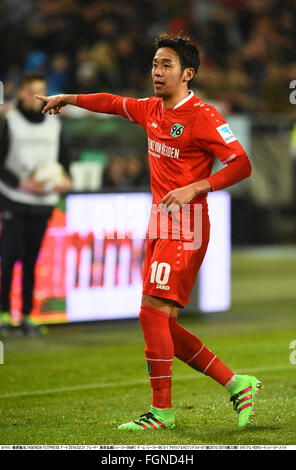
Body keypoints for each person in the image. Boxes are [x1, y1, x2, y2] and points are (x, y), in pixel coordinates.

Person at [36, 33, 262, 429]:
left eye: (167, 65)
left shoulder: (203, 116)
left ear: (187, 73)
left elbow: (241, 164)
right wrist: (68, 98)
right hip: (160, 223)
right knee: (164, 323)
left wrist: (197, 186)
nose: (157, 72)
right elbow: (110, 102)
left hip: (187, 224)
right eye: (155, 64)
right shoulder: (151, 110)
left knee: (150, 313)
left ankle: (162, 412)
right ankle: (236, 382)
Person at [0, 72, 71, 337]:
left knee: (31, 259)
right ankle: (4, 314)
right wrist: (21, 183)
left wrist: (65, 178)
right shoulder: (10, 122)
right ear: (21, 93)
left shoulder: (54, 125)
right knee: (9, 256)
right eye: (31, 91)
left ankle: (27, 315)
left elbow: (65, 160)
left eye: (40, 91)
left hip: (43, 202)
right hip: (13, 199)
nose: (35, 96)